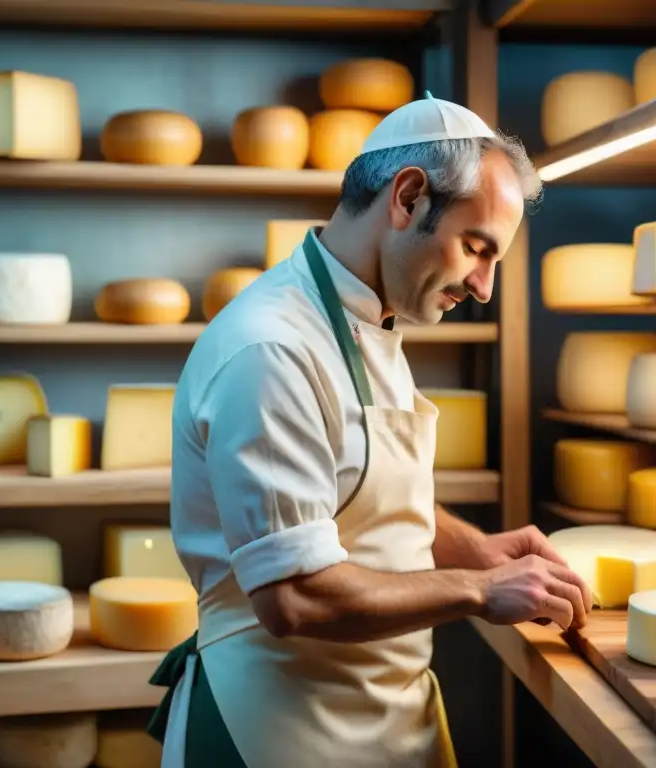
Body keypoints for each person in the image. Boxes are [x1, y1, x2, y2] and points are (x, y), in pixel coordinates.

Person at [147, 92, 592, 768]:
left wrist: (479, 551)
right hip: (277, 727)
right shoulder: (272, 349)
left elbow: (360, 494)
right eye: (477, 248)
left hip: (375, 715)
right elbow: (294, 595)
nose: (484, 288)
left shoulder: (367, 317)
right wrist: (480, 591)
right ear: (408, 198)